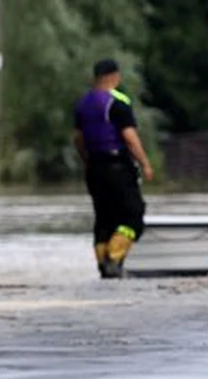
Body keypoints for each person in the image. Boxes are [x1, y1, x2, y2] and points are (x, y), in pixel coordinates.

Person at [72, 58, 154, 279]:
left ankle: (102, 264)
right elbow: (130, 137)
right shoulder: (117, 102)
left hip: (94, 168)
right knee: (133, 215)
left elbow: (78, 139)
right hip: (117, 166)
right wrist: (145, 163)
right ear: (114, 76)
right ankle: (114, 259)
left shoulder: (83, 103)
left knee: (104, 218)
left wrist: (87, 160)